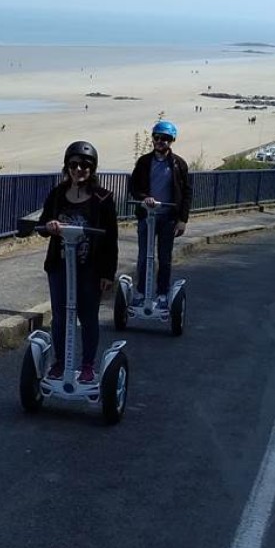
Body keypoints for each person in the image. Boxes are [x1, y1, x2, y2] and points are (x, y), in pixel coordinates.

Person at [40, 141, 119, 384]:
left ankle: (87, 366)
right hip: (60, 266)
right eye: (73, 165)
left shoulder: (102, 198)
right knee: (60, 317)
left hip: (90, 268)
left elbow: (111, 238)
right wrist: (51, 226)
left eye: (85, 165)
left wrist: (108, 273)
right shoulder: (57, 194)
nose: (79, 169)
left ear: (92, 168)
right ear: (67, 167)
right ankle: (60, 363)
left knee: (87, 317)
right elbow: (43, 226)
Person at [128, 119, 191, 303]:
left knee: (164, 258)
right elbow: (133, 187)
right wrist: (144, 197)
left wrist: (183, 219)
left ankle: (162, 293)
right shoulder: (144, 162)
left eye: (165, 138)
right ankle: (140, 291)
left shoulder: (179, 164)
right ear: (153, 139)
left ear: (171, 141)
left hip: (168, 218)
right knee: (144, 257)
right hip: (147, 217)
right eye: (157, 137)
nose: (160, 141)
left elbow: (186, 192)